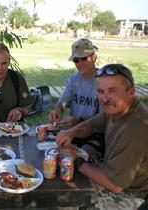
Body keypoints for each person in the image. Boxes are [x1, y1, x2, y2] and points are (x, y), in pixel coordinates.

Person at [56, 64, 148, 209]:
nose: (104, 99)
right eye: (100, 91)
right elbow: (92, 124)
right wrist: (71, 132)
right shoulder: (117, 109)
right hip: (111, 170)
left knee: (65, 201)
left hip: (131, 194)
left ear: (131, 92)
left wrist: (77, 160)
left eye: (112, 91)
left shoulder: (135, 128)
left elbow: (116, 185)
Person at [49, 38, 104, 158]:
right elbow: (63, 101)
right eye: (76, 60)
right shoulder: (74, 79)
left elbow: (104, 119)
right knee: (52, 151)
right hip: (74, 131)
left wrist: (78, 120)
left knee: (80, 157)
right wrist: (58, 109)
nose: (80, 63)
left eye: (84, 58)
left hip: (96, 133)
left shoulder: (104, 80)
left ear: (94, 58)